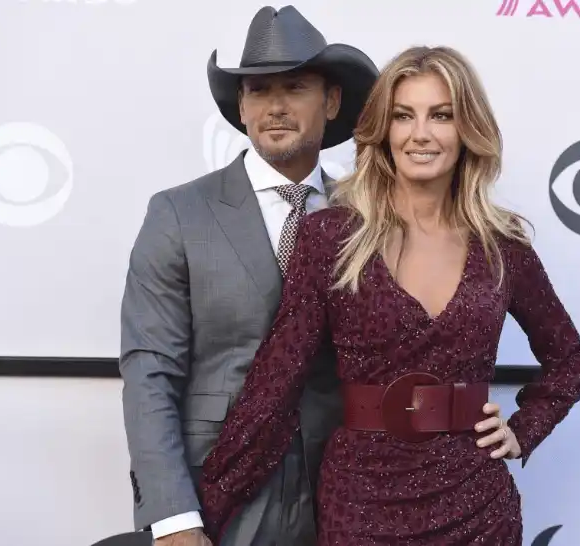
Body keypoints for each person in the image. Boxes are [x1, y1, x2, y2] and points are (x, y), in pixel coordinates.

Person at [119, 7, 511, 546]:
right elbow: (150, 372)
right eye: (258, 90)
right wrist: (174, 517)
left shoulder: (374, 218)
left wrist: (477, 421)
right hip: (218, 495)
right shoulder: (179, 214)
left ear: (331, 102)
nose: (276, 106)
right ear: (241, 106)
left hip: (347, 495)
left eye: (295, 87)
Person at [197, 44, 580, 545]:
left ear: (467, 128)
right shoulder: (330, 236)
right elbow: (276, 383)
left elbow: (568, 359)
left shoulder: (502, 245)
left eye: (441, 115)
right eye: (403, 116)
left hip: (477, 504)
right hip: (361, 502)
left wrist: (524, 430)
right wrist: (200, 512)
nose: (420, 133)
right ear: (383, 129)